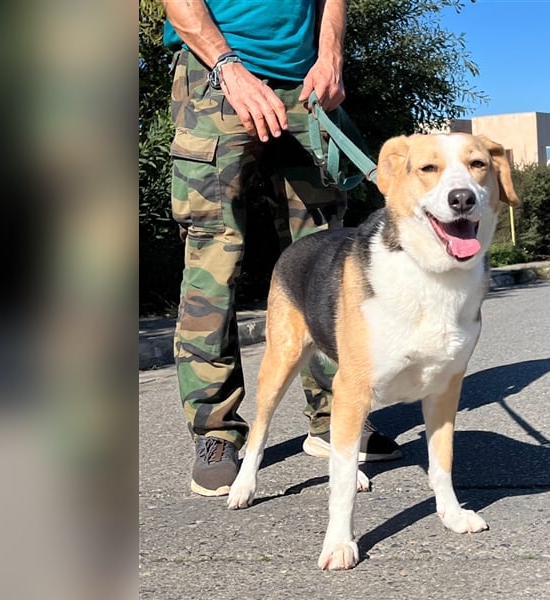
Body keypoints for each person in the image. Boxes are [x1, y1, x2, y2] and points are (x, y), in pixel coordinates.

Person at [162, 0, 401, 497]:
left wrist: (330, 56)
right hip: (215, 76)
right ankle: (215, 430)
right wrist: (229, 68)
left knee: (327, 256)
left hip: (306, 85)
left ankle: (333, 415)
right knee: (212, 260)